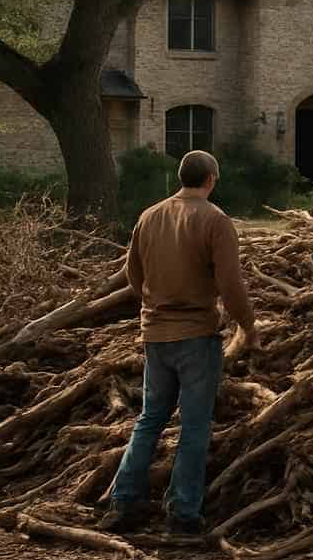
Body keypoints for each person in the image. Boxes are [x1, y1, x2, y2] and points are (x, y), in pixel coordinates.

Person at [100, 150, 259, 535]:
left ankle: (123, 503)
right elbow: (230, 285)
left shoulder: (149, 216)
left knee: (149, 419)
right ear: (211, 179)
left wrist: (155, 304)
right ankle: (183, 512)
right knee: (194, 425)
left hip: (155, 335)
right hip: (197, 336)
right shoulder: (215, 220)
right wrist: (248, 325)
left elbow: (133, 275)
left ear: (181, 178)